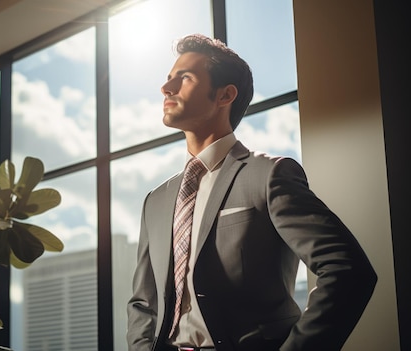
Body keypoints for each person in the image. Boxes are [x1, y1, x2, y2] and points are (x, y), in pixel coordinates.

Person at [126, 34, 377, 351]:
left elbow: (347, 269)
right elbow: (142, 302)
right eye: (168, 78)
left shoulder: (270, 175)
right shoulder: (156, 200)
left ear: (224, 95)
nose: (167, 88)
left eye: (184, 78)